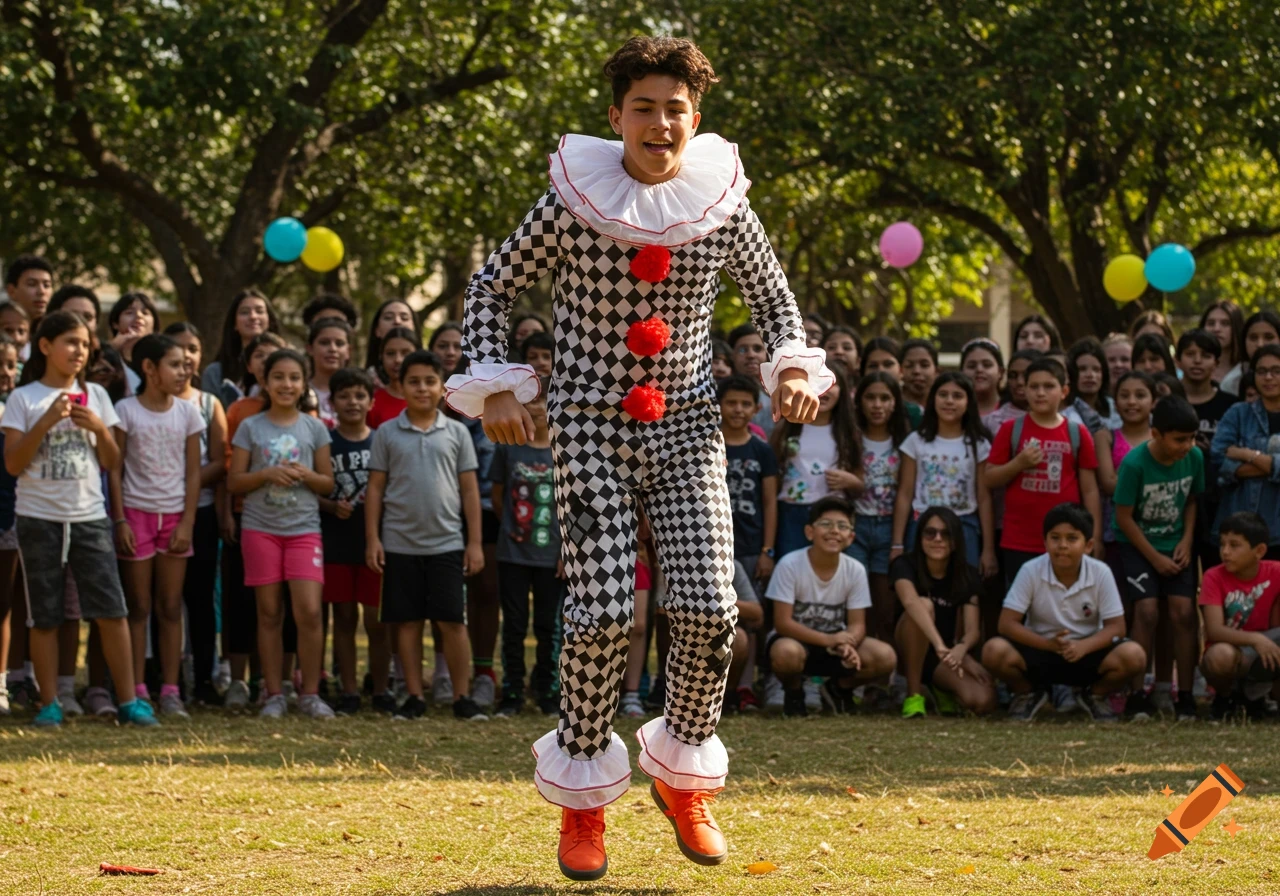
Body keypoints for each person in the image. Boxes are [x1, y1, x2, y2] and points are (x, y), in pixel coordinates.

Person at [446, 35, 830, 881]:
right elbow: (492, 287)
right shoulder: (568, 202)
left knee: (708, 610)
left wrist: (793, 367)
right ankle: (584, 803)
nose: (662, 123)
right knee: (601, 616)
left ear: (697, 120)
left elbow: (776, 301)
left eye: (677, 110)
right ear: (616, 115)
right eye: (646, 108)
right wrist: (499, 384)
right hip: (588, 424)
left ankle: (683, 770)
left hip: (688, 428)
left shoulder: (723, 203)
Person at [2, 311, 157, 726]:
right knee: (46, 614)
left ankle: (129, 702)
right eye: (71, 342)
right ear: (45, 346)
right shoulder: (24, 398)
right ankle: (50, 703)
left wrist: (101, 431)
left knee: (111, 609)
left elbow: (112, 461)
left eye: (85, 344)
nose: (80, 351)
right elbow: (14, 463)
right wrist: (47, 420)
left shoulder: (98, 396)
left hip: (89, 517)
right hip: (38, 518)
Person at [367, 350, 485, 721]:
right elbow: (374, 489)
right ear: (400, 386)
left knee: (452, 621)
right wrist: (373, 538)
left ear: (442, 387)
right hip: (399, 544)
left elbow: (469, 491)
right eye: (413, 381)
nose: (422, 388)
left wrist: (475, 542)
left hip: (447, 544)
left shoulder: (456, 433)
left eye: (429, 381)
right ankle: (415, 696)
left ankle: (462, 697)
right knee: (407, 621)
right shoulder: (386, 433)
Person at [227, 349, 335, 720]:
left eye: (294, 378)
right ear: (265, 382)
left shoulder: (314, 427)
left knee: (308, 612)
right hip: (260, 530)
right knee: (268, 613)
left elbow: (327, 483)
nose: (286, 384)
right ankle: (273, 693)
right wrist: (266, 475)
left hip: (304, 530)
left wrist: (305, 474)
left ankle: (310, 693)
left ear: (304, 383)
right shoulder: (250, 427)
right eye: (278, 377)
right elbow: (234, 481)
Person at [108, 334, 206, 718]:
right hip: (136, 515)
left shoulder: (188, 413)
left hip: (175, 520)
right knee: (138, 607)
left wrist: (187, 522)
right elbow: (114, 470)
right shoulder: (126, 410)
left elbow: (195, 475)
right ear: (149, 369)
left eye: (186, 364)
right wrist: (120, 520)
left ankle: (170, 689)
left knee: (169, 607)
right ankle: (136, 690)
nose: (184, 371)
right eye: (175, 364)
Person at [982, 503, 1144, 721]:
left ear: (1088, 545)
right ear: (1045, 542)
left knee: (1134, 656)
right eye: (1055, 538)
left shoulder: (1101, 572)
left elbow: (1117, 626)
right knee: (993, 651)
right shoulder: (1031, 570)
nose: (1062, 546)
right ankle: (1028, 693)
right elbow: (1006, 623)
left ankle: (1094, 695)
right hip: (1040, 649)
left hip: (1086, 653)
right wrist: (1048, 644)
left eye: (1071, 538)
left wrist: (1083, 646)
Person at [1113, 396, 1205, 722]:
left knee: (1183, 613)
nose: (1187, 445)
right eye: (1179, 439)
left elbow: (1193, 500)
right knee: (1147, 611)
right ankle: (1137, 694)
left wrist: (1186, 539)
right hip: (1137, 546)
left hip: (1175, 543)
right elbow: (1123, 517)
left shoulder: (1194, 457)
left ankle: (1184, 694)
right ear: (1156, 434)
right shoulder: (1135, 464)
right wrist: (1154, 558)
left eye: (1192, 438)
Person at [766, 496, 897, 716]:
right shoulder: (789, 564)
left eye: (842, 526)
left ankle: (838, 690)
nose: (834, 531)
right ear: (809, 532)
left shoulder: (855, 569)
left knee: (885, 656)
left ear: (851, 537)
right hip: (796, 642)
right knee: (786, 653)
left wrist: (848, 643)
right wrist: (830, 640)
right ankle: (794, 692)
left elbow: (858, 624)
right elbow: (783, 623)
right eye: (826, 524)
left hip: (835, 643)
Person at [985, 358, 1103, 588]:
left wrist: (1094, 536)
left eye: (1048, 386)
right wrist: (1018, 463)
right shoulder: (1011, 429)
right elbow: (989, 478)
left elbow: (1090, 490)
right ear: (1024, 390)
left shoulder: (1077, 433)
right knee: (1022, 607)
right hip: (1019, 540)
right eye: (1034, 386)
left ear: (1064, 391)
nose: (1040, 393)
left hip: (1066, 542)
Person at [491, 379, 565, 717]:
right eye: (530, 402)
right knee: (515, 625)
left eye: (543, 402)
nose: (537, 408)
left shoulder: (564, 450)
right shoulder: (508, 446)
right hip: (513, 554)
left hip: (553, 558)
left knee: (550, 628)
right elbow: (497, 495)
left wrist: (567, 549)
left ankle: (549, 694)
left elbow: (573, 504)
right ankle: (512, 692)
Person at [163, 321, 228, 706]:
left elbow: (220, 462)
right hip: (154, 513)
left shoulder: (208, 404)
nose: (186, 357)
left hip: (200, 514)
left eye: (193, 348)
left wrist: (183, 485)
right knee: (162, 603)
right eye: (177, 349)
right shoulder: (144, 403)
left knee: (201, 600)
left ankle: (204, 680)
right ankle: (162, 680)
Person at [318, 367, 389, 715]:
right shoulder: (325, 442)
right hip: (336, 543)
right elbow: (311, 489)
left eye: (360, 395)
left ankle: (380, 688)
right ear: (332, 402)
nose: (352, 402)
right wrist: (331, 505)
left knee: (376, 621)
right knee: (343, 619)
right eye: (344, 396)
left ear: (371, 401)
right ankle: (347, 690)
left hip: (374, 543)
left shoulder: (381, 440)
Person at [893, 506, 995, 718]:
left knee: (981, 701)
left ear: (956, 540)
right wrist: (939, 644)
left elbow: (972, 630)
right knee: (924, 605)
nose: (937, 539)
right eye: (930, 533)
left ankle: (939, 689)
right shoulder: (904, 565)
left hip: (944, 655)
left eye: (946, 533)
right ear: (920, 537)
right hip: (908, 647)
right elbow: (910, 602)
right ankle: (913, 695)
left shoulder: (967, 574)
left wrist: (961, 650)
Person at [892, 373, 996, 577]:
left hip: (964, 525)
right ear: (933, 400)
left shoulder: (979, 444)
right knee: (919, 585)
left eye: (957, 396)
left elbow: (984, 498)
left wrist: (988, 549)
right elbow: (905, 494)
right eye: (943, 395)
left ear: (969, 402)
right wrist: (897, 543)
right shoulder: (916, 441)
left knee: (965, 588)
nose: (949, 401)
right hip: (923, 524)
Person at [718, 374, 777, 711]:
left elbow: (770, 502)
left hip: (752, 545)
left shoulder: (762, 450)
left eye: (745, 404)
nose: (738, 410)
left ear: (756, 408)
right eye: (731, 402)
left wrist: (768, 549)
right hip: (712, 545)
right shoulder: (708, 442)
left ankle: (744, 686)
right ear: (719, 405)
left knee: (750, 621)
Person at [770, 359, 861, 558]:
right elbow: (772, 479)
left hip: (833, 514)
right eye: (816, 383)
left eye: (830, 384)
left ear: (843, 391)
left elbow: (860, 482)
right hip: (791, 513)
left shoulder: (849, 433)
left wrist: (851, 482)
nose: (823, 390)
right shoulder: (784, 429)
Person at [1199, 511, 1280, 720]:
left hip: (1267, 651)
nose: (1225, 552)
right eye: (1222, 544)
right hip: (1232, 650)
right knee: (1221, 657)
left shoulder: (1276, 572)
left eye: (1234, 545)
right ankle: (1226, 698)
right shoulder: (1213, 576)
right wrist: (1256, 639)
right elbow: (1214, 630)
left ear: (1259, 550)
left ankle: (1263, 698)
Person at [849, 371, 909, 644]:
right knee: (856, 599)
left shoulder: (904, 441)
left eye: (885, 398)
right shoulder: (851, 438)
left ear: (895, 402)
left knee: (886, 602)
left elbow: (904, 494)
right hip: (856, 525)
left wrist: (897, 542)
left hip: (889, 526)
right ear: (859, 401)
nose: (877, 404)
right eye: (870, 397)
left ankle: (885, 673)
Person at [1210, 344, 1280, 558]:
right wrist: (1271, 465)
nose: (1268, 377)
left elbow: (1232, 458)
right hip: (1240, 530)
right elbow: (1218, 457)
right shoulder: (1238, 413)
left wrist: (1246, 454)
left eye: (1276, 371)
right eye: (1261, 371)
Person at [1177, 329, 1238, 571]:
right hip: (1177, 502)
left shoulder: (1231, 405)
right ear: (1178, 360)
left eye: (1205, 354)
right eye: (1190, 354)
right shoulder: (1169, 401)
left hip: (1219, 501)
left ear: (1216, 362)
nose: (1197, 360)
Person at [204, 288, 280, 408]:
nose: (253, 316)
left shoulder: (287, 364)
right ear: (234, 323)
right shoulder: (215, 373)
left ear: (269, 320)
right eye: (244, 312)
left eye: (259, 311)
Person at [0, 334, 20, 714]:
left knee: (2, 603)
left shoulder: (14, 412)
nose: (5, 373)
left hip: (7, 519)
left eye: (11, 365)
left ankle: (0, 684)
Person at [367, 326, 420, 429]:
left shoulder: (430, 398)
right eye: (390, 353)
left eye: (405, 353)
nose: (398, 360)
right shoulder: (372, 403)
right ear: (381, 357)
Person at [107, 292, 159, 396]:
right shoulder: (106, 356)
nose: (139, 316)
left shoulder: (162, 356)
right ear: (115, 324)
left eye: (145, 313)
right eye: (129, 312)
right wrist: (111, 349)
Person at [727, 323, 774, 435]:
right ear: (732, 355)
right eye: (743, 350)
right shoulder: (719, 393)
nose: (751, 355)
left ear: (766, 354)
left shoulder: (780, 391)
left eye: (757, 349)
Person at [307, 318, 354, 428]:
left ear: (348, 351)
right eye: (324, 343)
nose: (333, 349)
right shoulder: (299, 392)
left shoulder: (360, 394)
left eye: (339, 343)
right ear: (310, 349)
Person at [363, 300, 418, 388]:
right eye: (388, 318)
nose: (397, 322)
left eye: (404, 318)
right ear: (377, 330)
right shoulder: (365, 382)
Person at [1200, 300, 1246, 395]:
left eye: (1225, 323)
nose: (1216, 329)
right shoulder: (1189, 367)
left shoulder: (1246, 370)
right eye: (1211, 323)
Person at [1067, 337, 1115, 427]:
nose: (1090, 375)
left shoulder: (1115, 408)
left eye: (1096, 370)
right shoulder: (1064, 413)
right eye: (1082, 369)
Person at [3, 255, 53, 337]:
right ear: (11, 291)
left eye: (46, 285)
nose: (41, 291)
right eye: (32, 284)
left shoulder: (54, 335)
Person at [961, 338, 1005, 420]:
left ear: (1000, 372)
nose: (979, 370)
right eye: (972, 366)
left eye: (987, 365)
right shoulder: (953, 412)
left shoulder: (1015, 412)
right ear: (962, 372)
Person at [899, 339, 939, 414]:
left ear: (936, 371)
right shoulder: (891, 406)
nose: (917, 371)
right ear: (900, 370)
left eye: (924, 365)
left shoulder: (945, 406)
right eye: (909, 366)